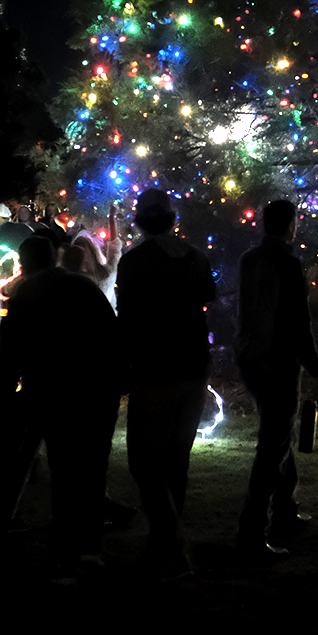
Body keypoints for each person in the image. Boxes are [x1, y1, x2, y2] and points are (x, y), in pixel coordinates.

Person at [0, 234, 121, 573]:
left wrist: (7, 393)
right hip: (99, 390)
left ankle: (66, 556)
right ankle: (89, 548)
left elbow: (11, 352)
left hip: (57, 393)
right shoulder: (85, 288)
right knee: (94, 469)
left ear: (24, 265)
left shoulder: (28, 294)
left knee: (65, 472)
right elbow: (113, 334)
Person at [116, 190, 218, 578]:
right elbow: (208, 294)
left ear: (141, 222)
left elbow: (126, 320)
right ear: (172, 220)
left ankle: (171, 545)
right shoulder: (194, 256)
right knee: (177, 459)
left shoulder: (135, 262)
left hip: (156, 369)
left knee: (144, 461)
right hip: (194, 365)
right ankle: (164, 545)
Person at [233, 199, 318, 557]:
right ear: (291, 225)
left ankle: (285, 510)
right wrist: (315, 368)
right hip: (278, 361)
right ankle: (252, 532)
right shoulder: (287, 263)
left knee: (277, 433)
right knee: (272, 445)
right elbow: (297, 322)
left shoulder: (249, 259)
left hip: (252, 358)